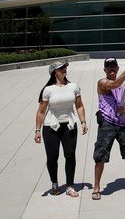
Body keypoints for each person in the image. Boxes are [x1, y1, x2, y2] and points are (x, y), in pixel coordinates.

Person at [34, 60, 88, 197]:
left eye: (65, 67)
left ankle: (70, 185)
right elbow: (41, 111)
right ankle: (54, 183)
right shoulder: (48, 90)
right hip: (51, 127)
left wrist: (83, 122)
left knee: (70, 155)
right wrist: (37, 130)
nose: (64, 70)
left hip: (69, 125)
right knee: (52, 157)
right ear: (54, 72)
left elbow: (79, 105)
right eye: (61, 68)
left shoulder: (73, 86)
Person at [91, 58, 125, 201]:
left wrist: (124, 108)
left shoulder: (124, 87)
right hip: (107, 123)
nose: (111, 69)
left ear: (117, 68)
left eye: (114, 67)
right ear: (104, 70)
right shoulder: (102, 83)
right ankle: (96, 187)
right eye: (109, 67)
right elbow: (113, 84)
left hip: (123, 123)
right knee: (101, 155)